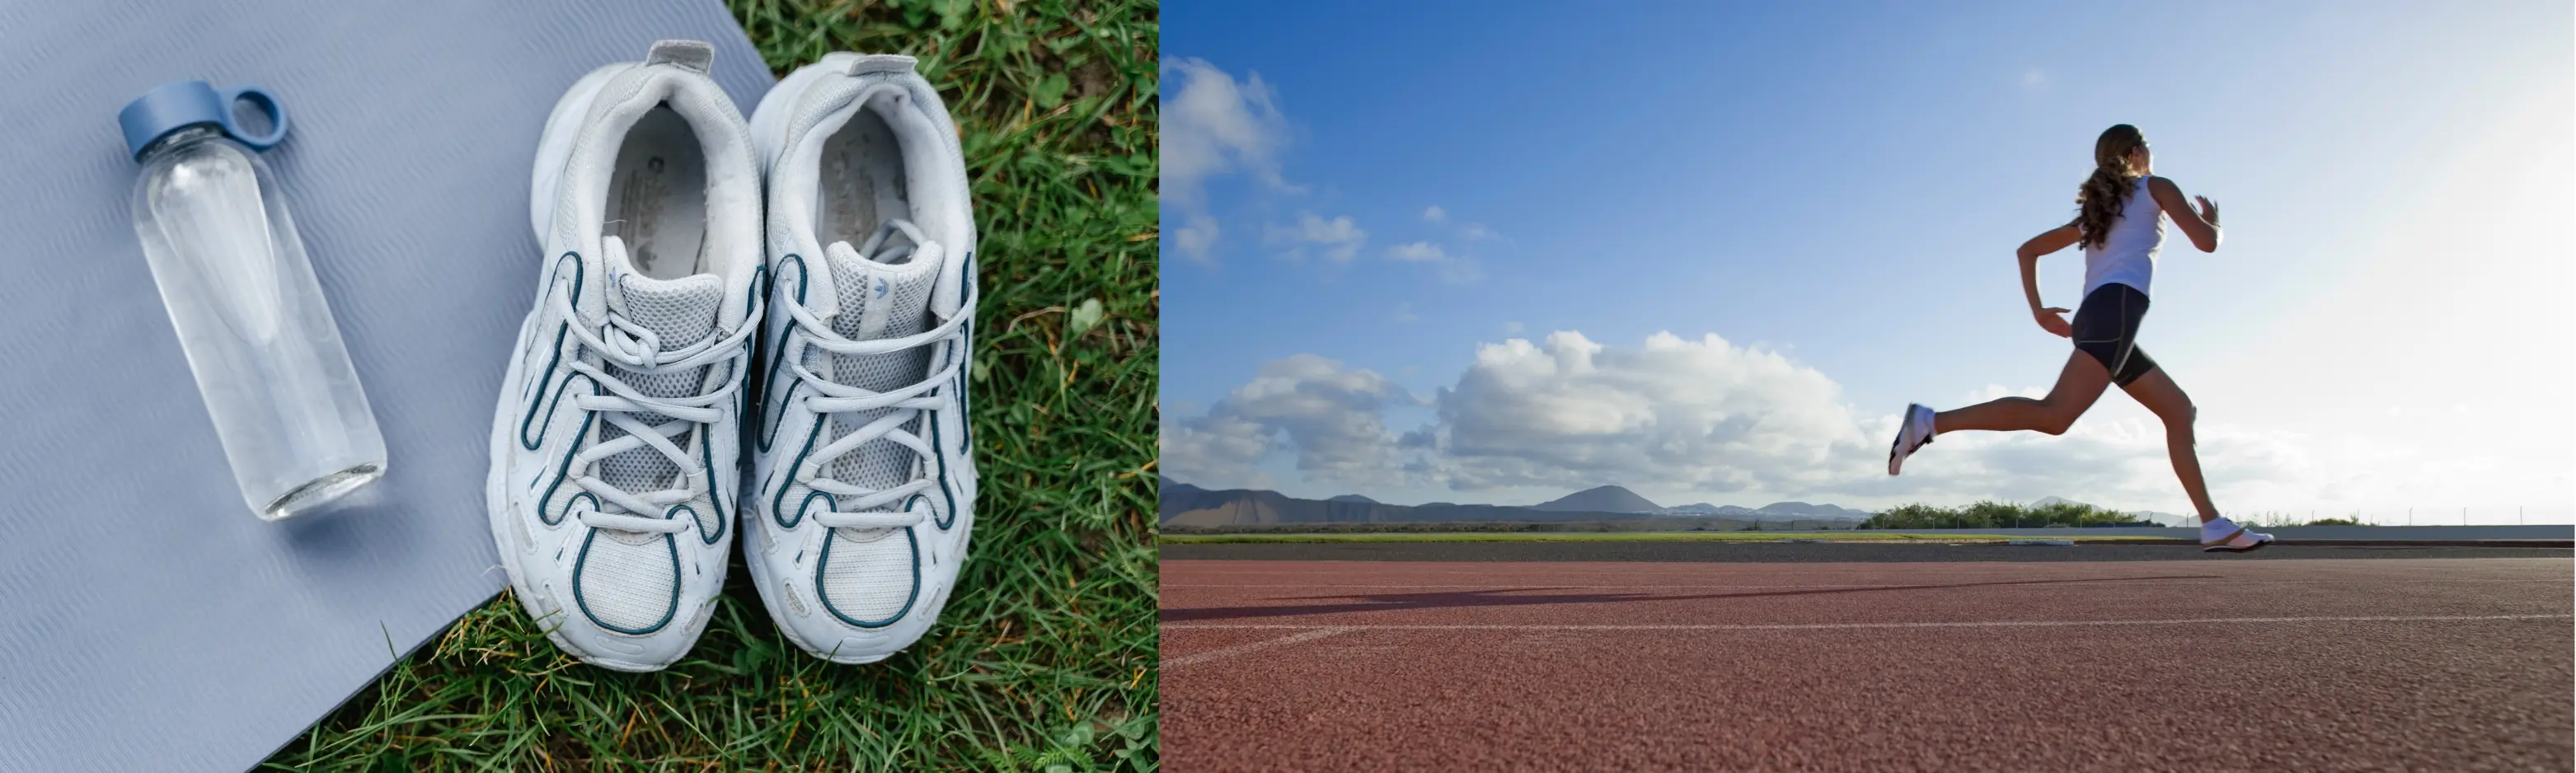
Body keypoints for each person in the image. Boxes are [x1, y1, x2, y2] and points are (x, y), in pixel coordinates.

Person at [1885, 124, 2272, 553]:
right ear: (2139, 152)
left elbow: (2027, 250)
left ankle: (2212, 523)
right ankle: (1931, 421)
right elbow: (2206, 243)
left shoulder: (2099, 211)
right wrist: (2214, 222)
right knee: (2054, 416)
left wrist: (2038, 310)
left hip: (2100, 316)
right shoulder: (2155, 187)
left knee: (2179, 411)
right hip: (2117, 313)